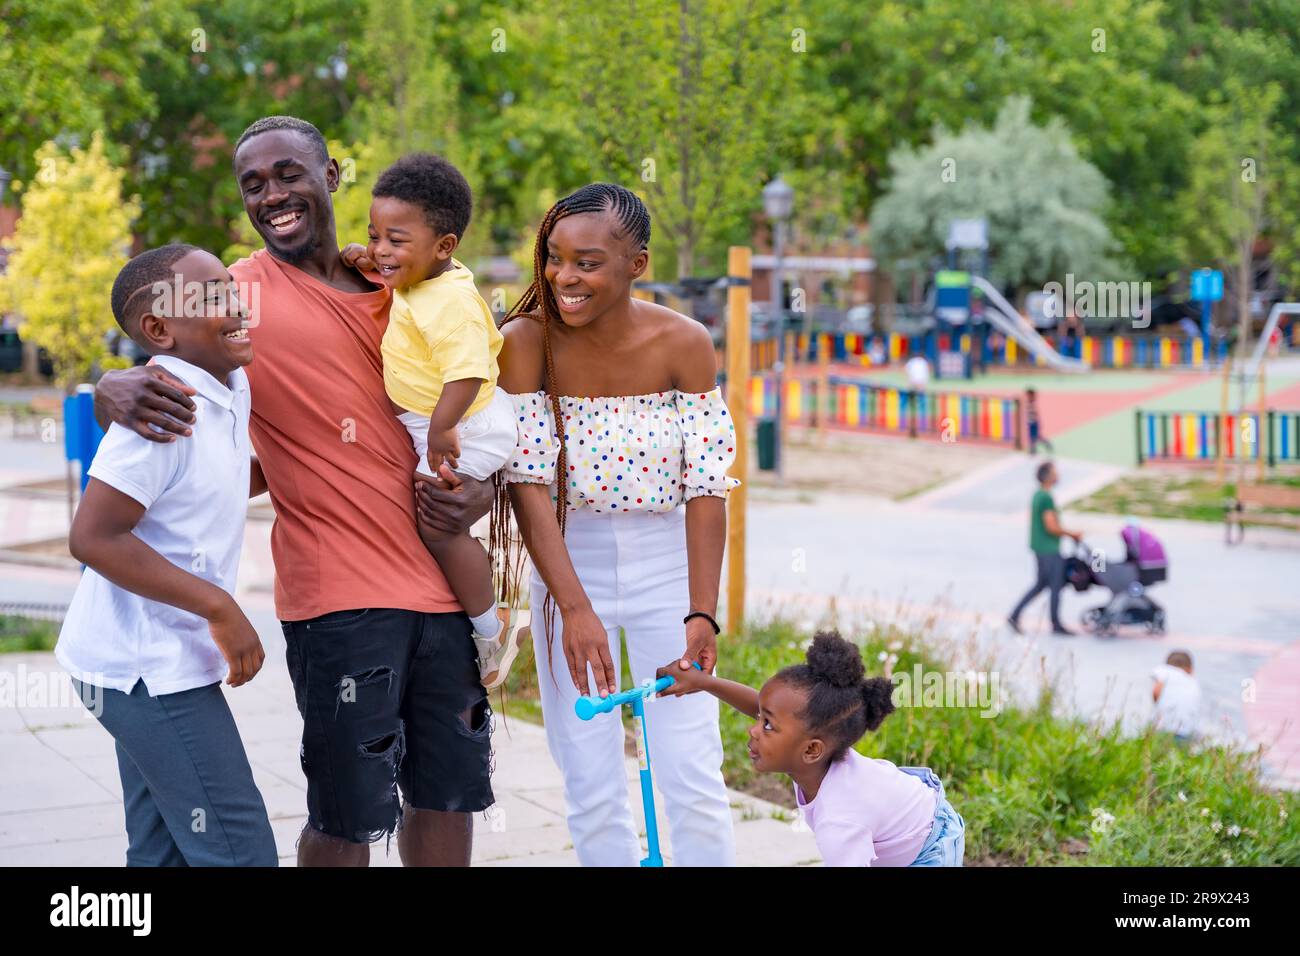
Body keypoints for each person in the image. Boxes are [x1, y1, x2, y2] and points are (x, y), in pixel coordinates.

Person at [92, 116, 495, 867]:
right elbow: (156, 335)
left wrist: (481, 491)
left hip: (443, 587)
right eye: (254, 184)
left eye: (288, 174)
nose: (272, 194)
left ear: (332, 175)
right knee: (346, 816)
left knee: (448, 798)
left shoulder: (409, 285)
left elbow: (488, 404)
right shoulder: (235, 295)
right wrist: (106, 386)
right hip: (338, 601)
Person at [494, 183, 738, 866]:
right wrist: (574, 608)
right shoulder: (523, 343)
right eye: (555, 258)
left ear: (638, 263)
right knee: (589, 773)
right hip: (569, 563)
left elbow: (707, 488)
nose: (564, 278)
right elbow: (528, 486)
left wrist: (702, 614)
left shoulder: (683, 343)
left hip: (670, 564)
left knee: (691, 767)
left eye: (588, 263)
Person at [58, 244, 276, 866]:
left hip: (141, 666)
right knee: (240, 851)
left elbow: (214, 479)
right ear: (159, 329)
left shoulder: (230, 384)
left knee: (162, 854)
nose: (236, 305)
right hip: (143, 669)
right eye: (211, 298)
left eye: (231, 288)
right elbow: (93, 536)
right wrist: (220, 608)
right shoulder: (160, 410)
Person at [355, 153, 525, 689]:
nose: (382, 250)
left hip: (464, 420)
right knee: (436, 518)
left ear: (443, 246)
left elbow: (470, 372)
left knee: (439, 525)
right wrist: (368, 257)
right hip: (448, 417)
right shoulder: (424, 277)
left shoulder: (450, 302)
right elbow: (394, 267)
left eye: (394, 241)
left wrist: (443, 428)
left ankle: (491, 623)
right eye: (374, 235)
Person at [656, 631, 965, 866]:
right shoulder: (807, 753)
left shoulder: (839, 820)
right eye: (760, 718)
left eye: (766, 725)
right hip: (905, 809)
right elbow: (760, 706)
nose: (753, 728)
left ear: (811, 750)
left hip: (929, 843)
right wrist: (705, 682)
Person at [1007, 460, 1081, 636]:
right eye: (1055, 472)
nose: (1058, 476)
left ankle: (1015, 615)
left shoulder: (1038, 494)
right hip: (1049, 549)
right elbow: (1051, 527)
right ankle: (1055, 623)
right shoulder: (1046, 498)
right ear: (1048, 476)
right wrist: (1072, 534)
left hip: (1039, 546)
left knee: (1040, 584)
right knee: (1055, 585)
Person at [1151, 650, 1202, 744]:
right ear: (1190, 669)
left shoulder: (1164, 671)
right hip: (1189, 732)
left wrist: (1156, 701)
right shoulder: (1193, 682)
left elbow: (1156, 691)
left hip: (1164, 729)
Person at [1025, 387, 1052, 454]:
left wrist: (1037, 423)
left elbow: (1035, 414)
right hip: (1030, 423)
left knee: (1036, 436)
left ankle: (1044, 444)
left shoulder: (1033, 403)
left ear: (1032, 395)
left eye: (1029, 395)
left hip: (1034, 423)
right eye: (1027, 395)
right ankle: (1033, 449)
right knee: (1032, 437)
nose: (1027, 396)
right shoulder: (1028, 402)